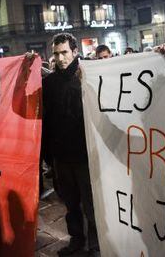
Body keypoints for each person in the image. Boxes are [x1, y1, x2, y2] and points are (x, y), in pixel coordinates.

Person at [42, 33, 100, 256]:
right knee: (70, 204)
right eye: (56, 53)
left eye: (64, 52)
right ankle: (77, 239)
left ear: (75, 52)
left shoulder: (88, 75)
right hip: (60, 157)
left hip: (85, 156)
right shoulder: (49, 83)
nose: (60, 57)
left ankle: (95, 247)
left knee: (91, 206)